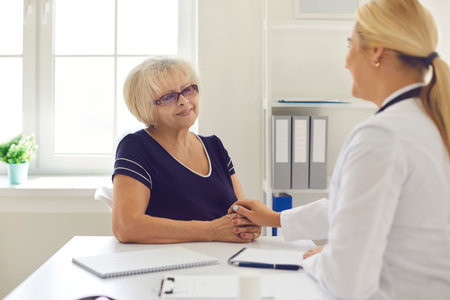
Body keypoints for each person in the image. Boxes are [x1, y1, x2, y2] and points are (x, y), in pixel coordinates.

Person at [230, 0, 450, 299]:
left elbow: (346, 281)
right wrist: (276, 218)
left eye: (351, 45)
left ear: (376, 53)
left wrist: (323, 258)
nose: (346, 61)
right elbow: (357, 209)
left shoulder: (381, 136)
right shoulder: (432, 121)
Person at [112, 57, 260, 244]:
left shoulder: (214, 146)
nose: (183, 101)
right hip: (172, 265)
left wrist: (249, 225)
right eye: (168, 97)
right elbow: (126, 226)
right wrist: (212, 231)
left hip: (227, 261)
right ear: (146, 107)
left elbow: (240, 213)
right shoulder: (135, 146)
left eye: (188, 90)